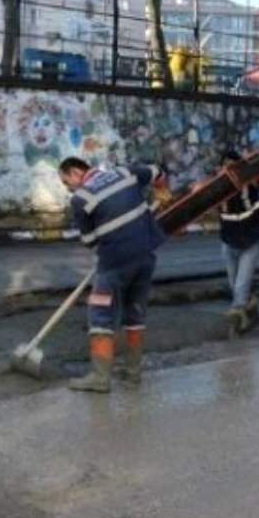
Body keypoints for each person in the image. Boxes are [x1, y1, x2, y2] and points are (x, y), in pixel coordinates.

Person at [59, 156, 168, 393]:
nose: (68, 188)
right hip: (145, 256)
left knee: (100, 314)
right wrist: (162, 192)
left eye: (66, 182)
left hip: (114, 265)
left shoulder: (81, 199)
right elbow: (157, 170)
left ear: (76, 172)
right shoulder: (124, 172)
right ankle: (133, 372)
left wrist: (108, 251)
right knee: (135, 313)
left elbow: (89, 240)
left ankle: (100, 377)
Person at [218, 149, 259, 337]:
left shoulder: (251, 180)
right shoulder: (218, 188)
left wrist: (252, 163)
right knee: (234, 283)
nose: (229, 171)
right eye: (226, 167)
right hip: (230, 240)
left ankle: (238, 315)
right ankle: (250, 309)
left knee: (240, 285)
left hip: (251, 238)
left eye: (233, 166)